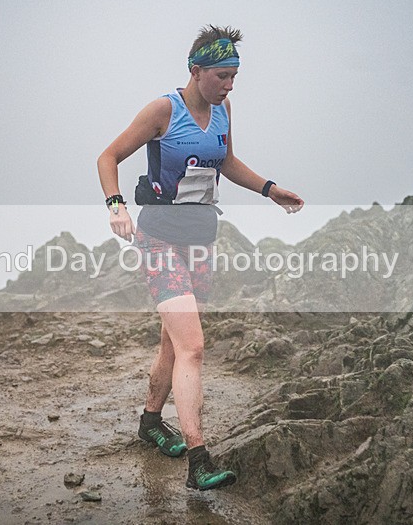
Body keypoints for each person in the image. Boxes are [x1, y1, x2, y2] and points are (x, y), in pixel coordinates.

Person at [97, 25, 303, 490]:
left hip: (200, 241)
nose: (230, 85)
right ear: (196, 70)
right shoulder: (163, 110)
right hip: (159, 240)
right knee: (193, 346)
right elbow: (107, 157)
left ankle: (151, 423)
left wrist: (269, 190)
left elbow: (226, 162)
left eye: (234, 76)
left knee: (173, 343)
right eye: (222, 76)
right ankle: (199, 459)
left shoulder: (224, 109)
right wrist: (116, 207)